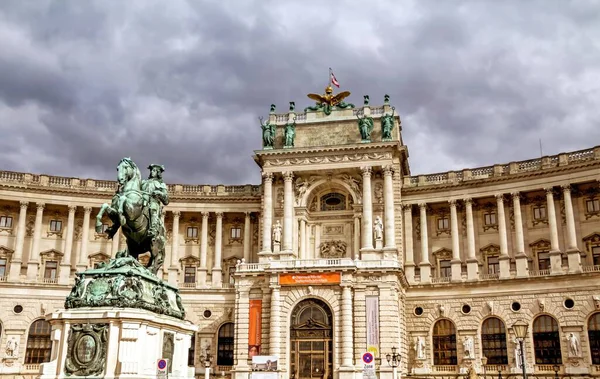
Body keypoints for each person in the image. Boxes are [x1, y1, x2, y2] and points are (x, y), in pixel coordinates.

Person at [142, 164, 169, 239]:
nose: (152, 172)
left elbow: (166, 200)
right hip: (142, 201)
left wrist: (159, 193)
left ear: (158, 172)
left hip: (153, 202)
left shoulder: (161, 184)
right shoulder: (143, 182)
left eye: (154, 170)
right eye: (151, 170)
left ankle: (153, 229)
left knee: (152, 208)